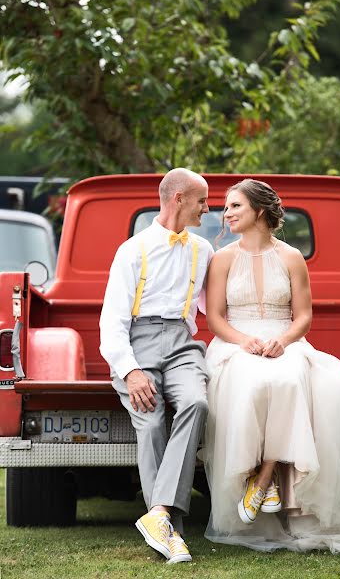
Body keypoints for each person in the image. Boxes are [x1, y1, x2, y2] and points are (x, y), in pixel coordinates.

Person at [203, 178, 340, 554]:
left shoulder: (291, 257)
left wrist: (283, 340)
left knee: (294, 380)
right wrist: (244, 341)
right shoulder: (222, 258)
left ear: (259, 211)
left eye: (234, 206)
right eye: (225, 207)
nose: (225, 214)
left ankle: (263, 480)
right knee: (254, 384)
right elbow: (214, 318)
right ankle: (260, 480)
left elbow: (304, 316)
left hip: (284, 339)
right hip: (235, 343)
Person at [99, 168, 214, 564]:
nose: (208, 206)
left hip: (183, 343)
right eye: (202, 199)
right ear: (178, 198)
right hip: (138, 342)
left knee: (197, 403)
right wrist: (130, 370)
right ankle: (172, 531)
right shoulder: (132, 249)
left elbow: (215, 309)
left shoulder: (205, 251)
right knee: (149, 423)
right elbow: (111, 321)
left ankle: (159, 514)